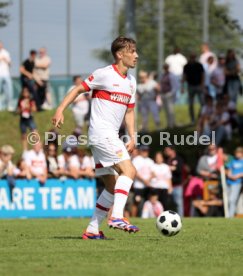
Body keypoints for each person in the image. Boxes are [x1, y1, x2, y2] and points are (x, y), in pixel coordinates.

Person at [52, 36, 139, 239]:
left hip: (109, 136)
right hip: (102, 133)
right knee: (129, 170)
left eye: (136, 51)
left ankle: (92, 230)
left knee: (111, 185)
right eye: (132, 51)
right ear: (120, 54)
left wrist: (132, 136)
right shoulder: (104, 74)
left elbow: (130, 112)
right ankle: (117, 216)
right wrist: (60, 109)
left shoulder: (131, 82)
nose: (136, 55)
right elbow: (78, 89)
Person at [182, 53, 205, 124]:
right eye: (191, 57)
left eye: (193, 57)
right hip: (190, 86)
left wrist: (202, 84)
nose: (192, 58)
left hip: (198, 85)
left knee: (202, 103)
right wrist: (182, 86)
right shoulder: (186, 66)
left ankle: (200, 117)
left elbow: (202, 75)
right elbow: (184, 76)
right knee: (190, 104)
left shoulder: (199, 65)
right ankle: (192, 119)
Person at [132, 145, 154, 217]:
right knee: (137, 202)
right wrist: (144, 180)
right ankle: (134, 218)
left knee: (148, 202)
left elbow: (153, 172)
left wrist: (148, 180)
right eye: (144, 150)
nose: (145, 152)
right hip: (139, 185)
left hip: (148, 185)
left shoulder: (150, 161)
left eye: (147, 150)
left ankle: (147, 216)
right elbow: (135, 172)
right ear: (140, 151)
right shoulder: (136, 160)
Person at [164, 146, 184, 216]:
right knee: (169, 204)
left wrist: (170, 168)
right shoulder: (166, 160)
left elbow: (179, 169)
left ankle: (181, 218)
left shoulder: (178, 159)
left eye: (167, 150)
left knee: (178, 203)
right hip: (168, 186)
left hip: (177, 186)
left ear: (172, 150)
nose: (166, 152)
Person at [226, 147, 243, 218]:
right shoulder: (233, 161)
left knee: (232, 199)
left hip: (237, 182)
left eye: (238, 153)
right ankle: (229, 214)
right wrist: (230, 175)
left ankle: (230, 216)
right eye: (236, 152)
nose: (237, 154)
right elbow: (229, 170)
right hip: (229, 182)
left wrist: (237, 176)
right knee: (227, 199)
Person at [160, 64, 178, 128]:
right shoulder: (162, 75)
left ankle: (172, 124)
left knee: (170, 110)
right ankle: (169, 124)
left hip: (169, 94)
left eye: (166, 68)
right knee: (166, 110)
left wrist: (171, 93)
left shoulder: (171, 75)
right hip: (163, 94)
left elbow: (175, 85)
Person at [0, 41, 13, 111]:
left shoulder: (6, 53)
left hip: (6, 74)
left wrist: (5, 59)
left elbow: (10, 63)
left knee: (9, 90)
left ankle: (9, 105)